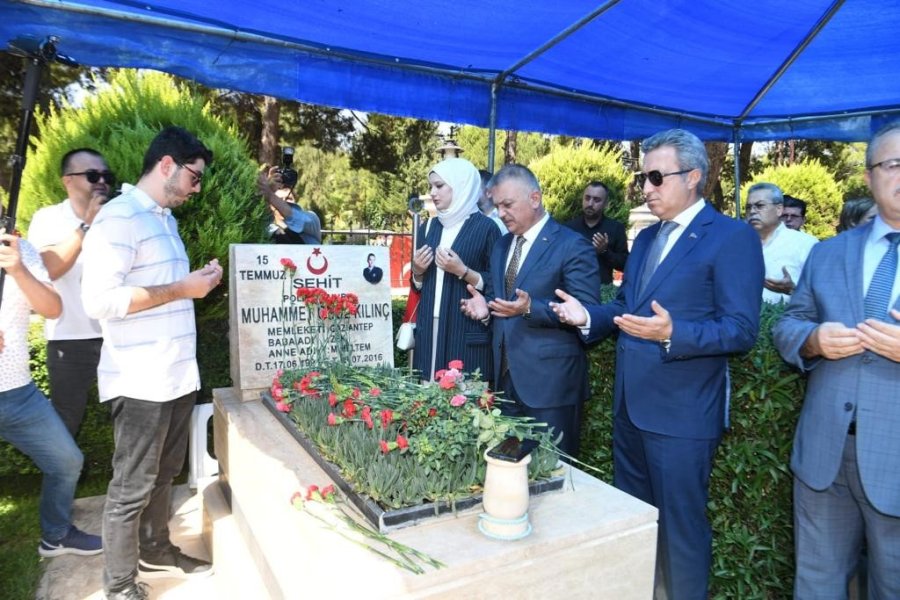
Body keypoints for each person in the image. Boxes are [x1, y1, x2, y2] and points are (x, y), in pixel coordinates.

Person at [550, 129, 764, 598]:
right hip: (631, 408)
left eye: (654, 177)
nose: (644, 188)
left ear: (693, 177)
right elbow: (627, 304)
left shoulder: (732, 239)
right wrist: (588, 314)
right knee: (637, 525)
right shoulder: (645, 239)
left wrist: (675, 333)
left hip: (683, 416)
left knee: (682, 535)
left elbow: (742, 329)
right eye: (641, 177)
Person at [81, 126, 223, 600]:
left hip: (176, 374)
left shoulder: (163, 218)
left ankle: (156, 549)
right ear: (167, 165)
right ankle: (119, 585)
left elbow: (161, 289)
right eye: (194, 177)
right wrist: (183, 288)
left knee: (164, 475)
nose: (196, 188)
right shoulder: (119, 218)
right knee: (131, 486)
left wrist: (194, 281)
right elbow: (99, 300)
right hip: (141, 381)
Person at [772, 121, 900, 599]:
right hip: (826, 454)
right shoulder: (828, 253)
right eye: (894, 164)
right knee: (817, 586)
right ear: (869, 177)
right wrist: (812, 341)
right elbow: (787, 326)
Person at [460, 164, 601, 458]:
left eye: (507, 204)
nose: (500, 213)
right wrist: (485, 308)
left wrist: (530, 309)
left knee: (554, 474)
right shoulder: (501, 246)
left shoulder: (572, 245)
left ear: (534, 198)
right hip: (504, 384)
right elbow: (501, 301)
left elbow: (586, 311)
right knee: (510, 474)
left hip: (551, 388)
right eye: (497, 205)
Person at [0, 224, 103, 559]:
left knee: (67, 461)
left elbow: (52, 308)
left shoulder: (20, 250)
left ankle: (55, 535)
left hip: (17, 392)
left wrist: (17, 270)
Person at [26, 148, 110, 437]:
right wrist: (87, 224)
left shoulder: (117, 217)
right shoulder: (48, 218)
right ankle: (62, 480)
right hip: (69, 340)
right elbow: (47, 269)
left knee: (129, 417)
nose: (101, 181)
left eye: (105, 175)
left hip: (118, 334)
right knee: (64, 424)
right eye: (91, 175)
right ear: (67, 181)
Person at [411, 158, 500, 382]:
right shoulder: (429, 226)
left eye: (439, 186)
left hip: (464, 328)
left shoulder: (488, 228)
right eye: (431, 186)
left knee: (462, 404)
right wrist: (418, 271)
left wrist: (462, 271)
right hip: (430, 326)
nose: (432, 192)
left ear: (461, 186)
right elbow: (418, 285)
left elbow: (499, 284)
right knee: (429, 400)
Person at [745, 182, 818, 303]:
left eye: (760, 206)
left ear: (779, 209)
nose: (752, 211)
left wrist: (792, 289)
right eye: (748, 207)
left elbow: (824, 294)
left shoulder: (805, 244)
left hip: (786, 318)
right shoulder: (737, 244)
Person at [563, 180, 629, 285]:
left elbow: (625, 265)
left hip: (602, 293)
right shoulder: (569, 228)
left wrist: (605, 252)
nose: (590, 203)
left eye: (596, 200)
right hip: (571, 290)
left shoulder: (615, 228)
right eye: (587, 198)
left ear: (606, 203)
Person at [257, 167, 322, 244]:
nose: (285, 202)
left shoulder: (312, 219)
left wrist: (270, 194)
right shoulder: (267, 228)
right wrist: (268, 190)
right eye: (280, 199)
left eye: (289, 198)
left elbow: (297, 218)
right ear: (271, 205)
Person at [477, 168, 507, 234]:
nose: (471, 191)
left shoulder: (504, 218)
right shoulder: (471, 217)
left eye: (476, 188)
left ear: (489, 193)